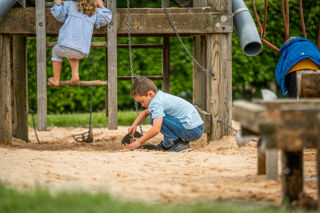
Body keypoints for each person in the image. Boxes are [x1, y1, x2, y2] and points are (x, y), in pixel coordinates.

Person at [126, 76, 204, 152]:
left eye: (142, 101)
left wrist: (140, 141)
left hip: (191, 131)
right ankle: (167, 144)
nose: (142, 105)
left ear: (150, 94)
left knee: (154, 118)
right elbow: (145, 113)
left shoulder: (156, 103)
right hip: (196, 128)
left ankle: (178, 143)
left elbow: (156, 129)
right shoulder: (159, 97)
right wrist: (134, 125)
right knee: (157, 117)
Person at [48, 0, 112, 86]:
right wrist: (101, 6)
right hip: (82, 51)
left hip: (65, 45)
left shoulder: (70, 4)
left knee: (56, 53)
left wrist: (58, 3)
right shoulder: (94, 10)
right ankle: (75, 74)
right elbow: (107, 17)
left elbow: (59, 15)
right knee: (73, 53)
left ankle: (56, 79)